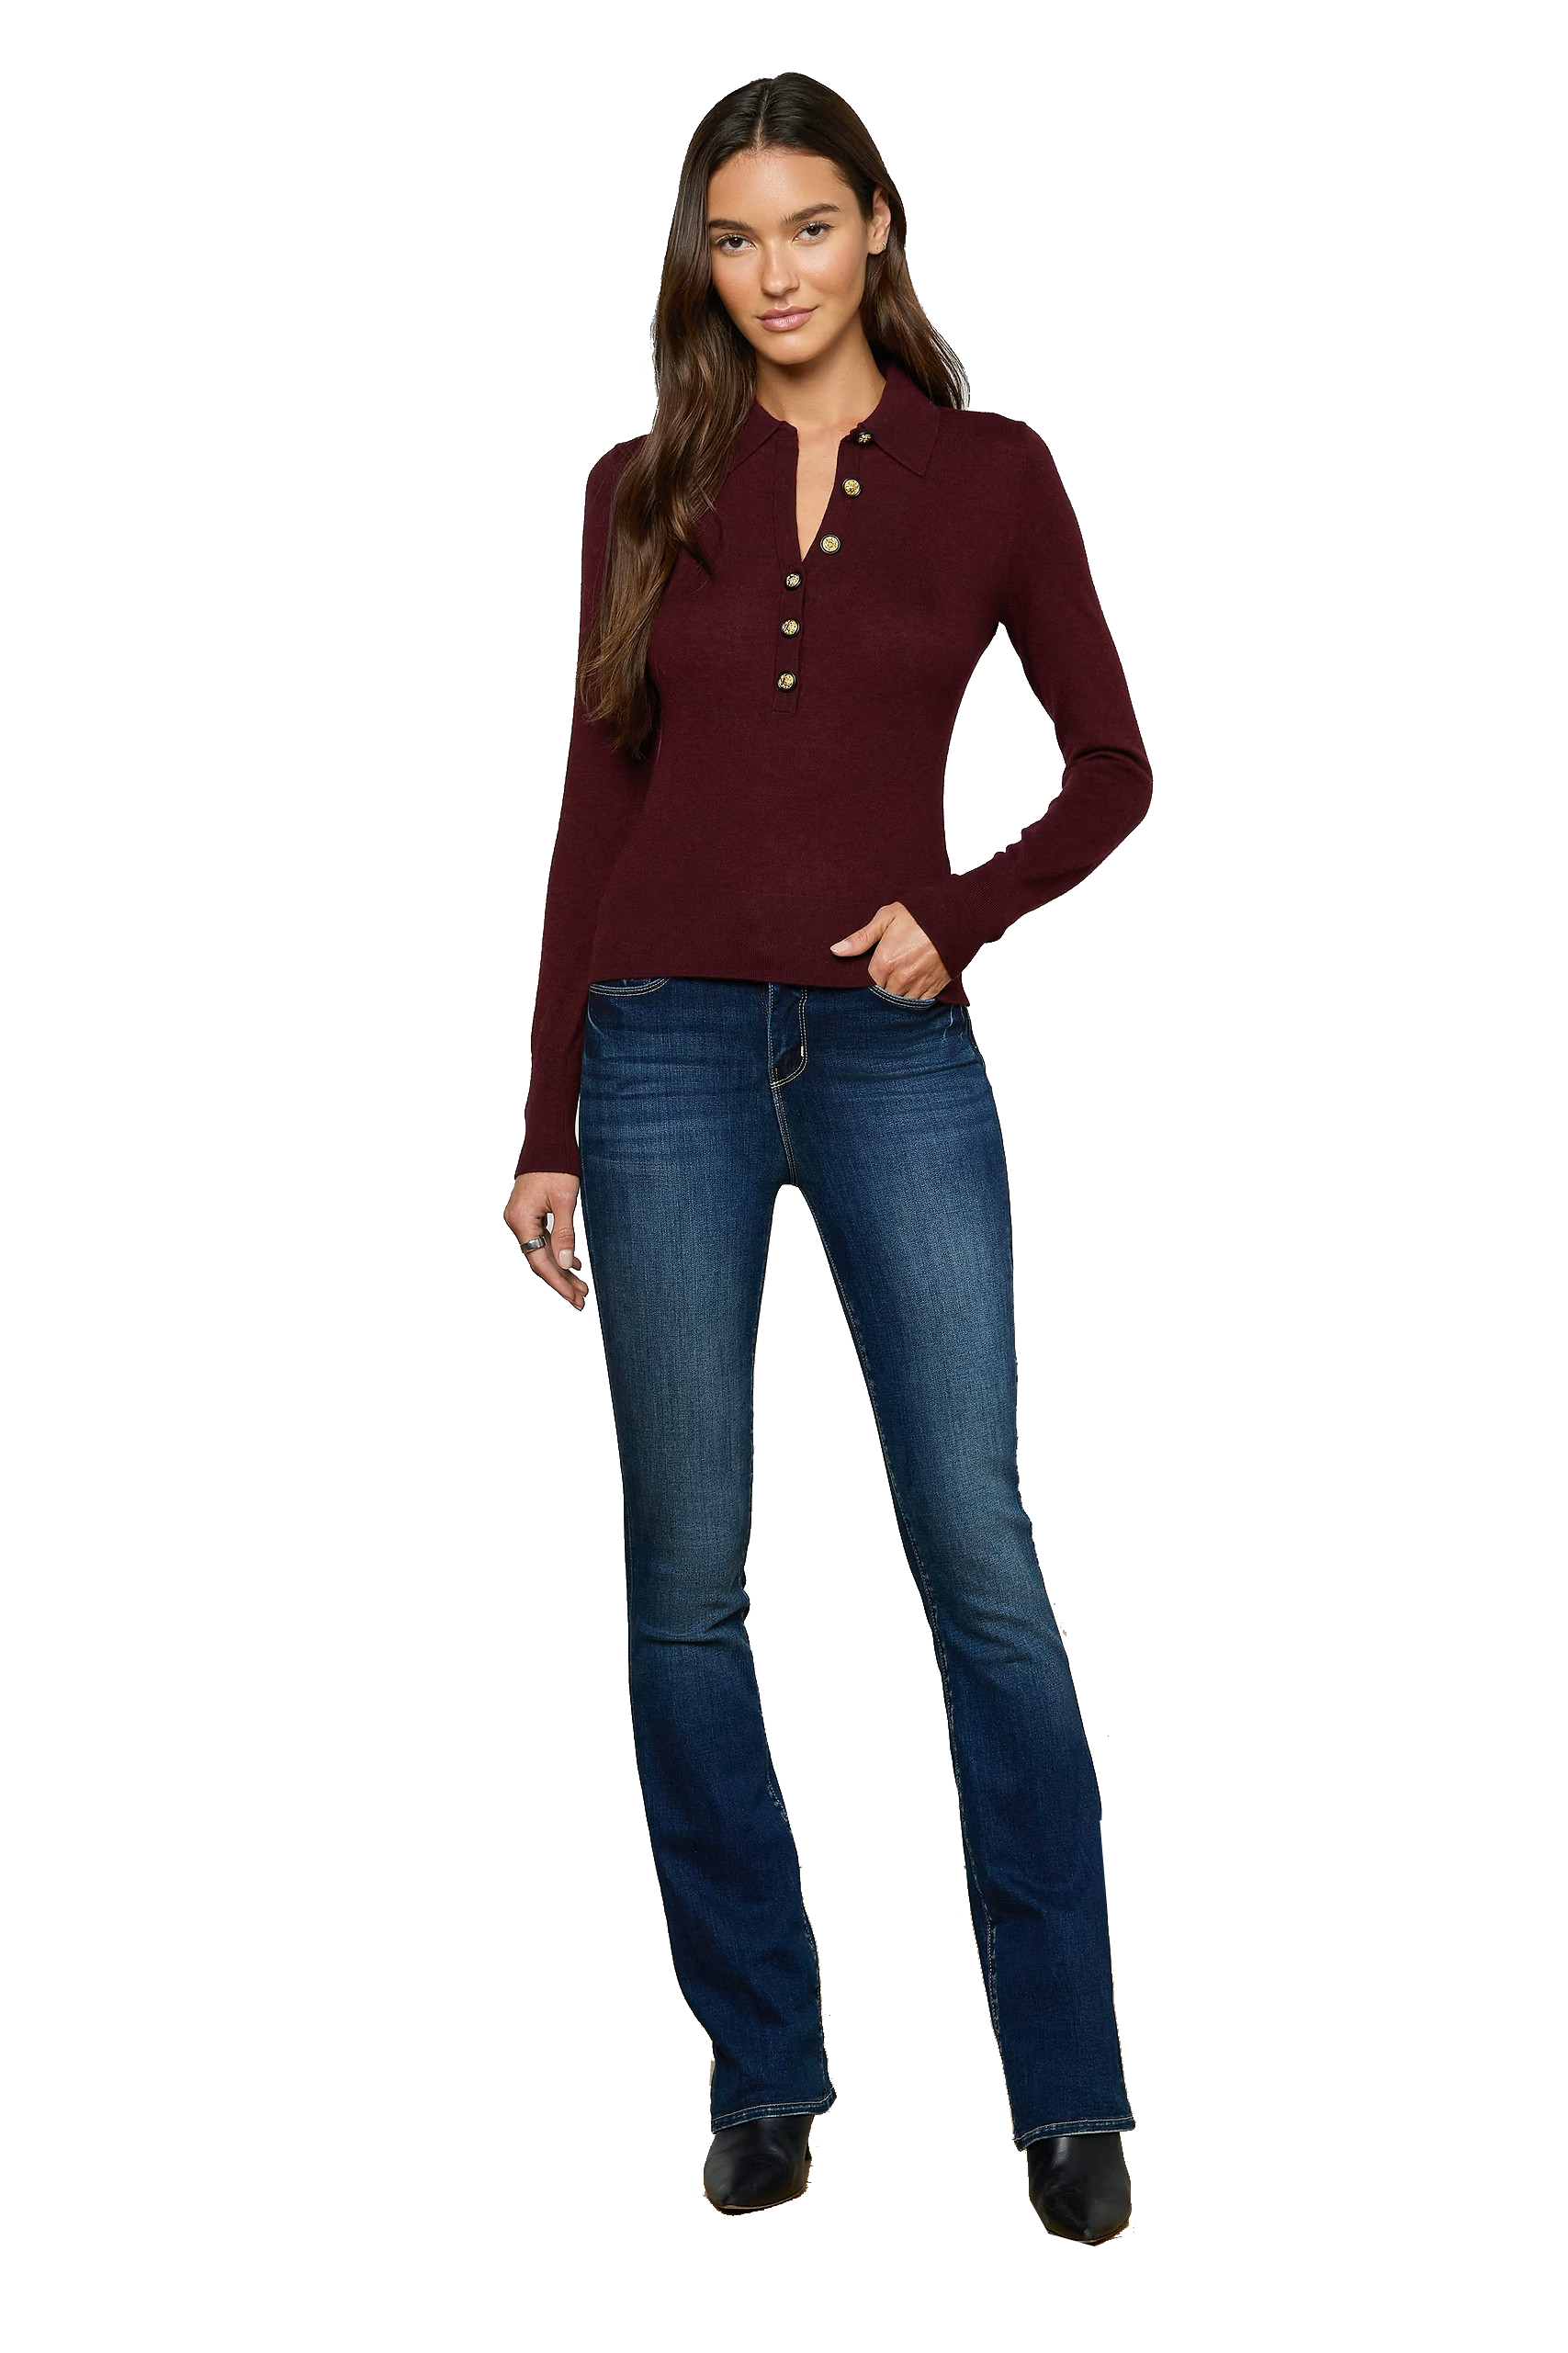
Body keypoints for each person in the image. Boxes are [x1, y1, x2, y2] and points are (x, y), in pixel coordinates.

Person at [503, 72, 1153, 2245]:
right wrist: (544, 1117)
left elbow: (1113, 765)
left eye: (805, 225)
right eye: (731, 236)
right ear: (699, 260)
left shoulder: (990, 473)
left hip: (890, 1059)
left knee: (978, 1551)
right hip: (659, 1060)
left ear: (876, 224)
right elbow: (598, 807)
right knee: (684, 1580)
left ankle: (1068, 2089)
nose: (770, 272)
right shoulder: (639, 486)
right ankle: (761, 2063)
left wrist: (956, 912)